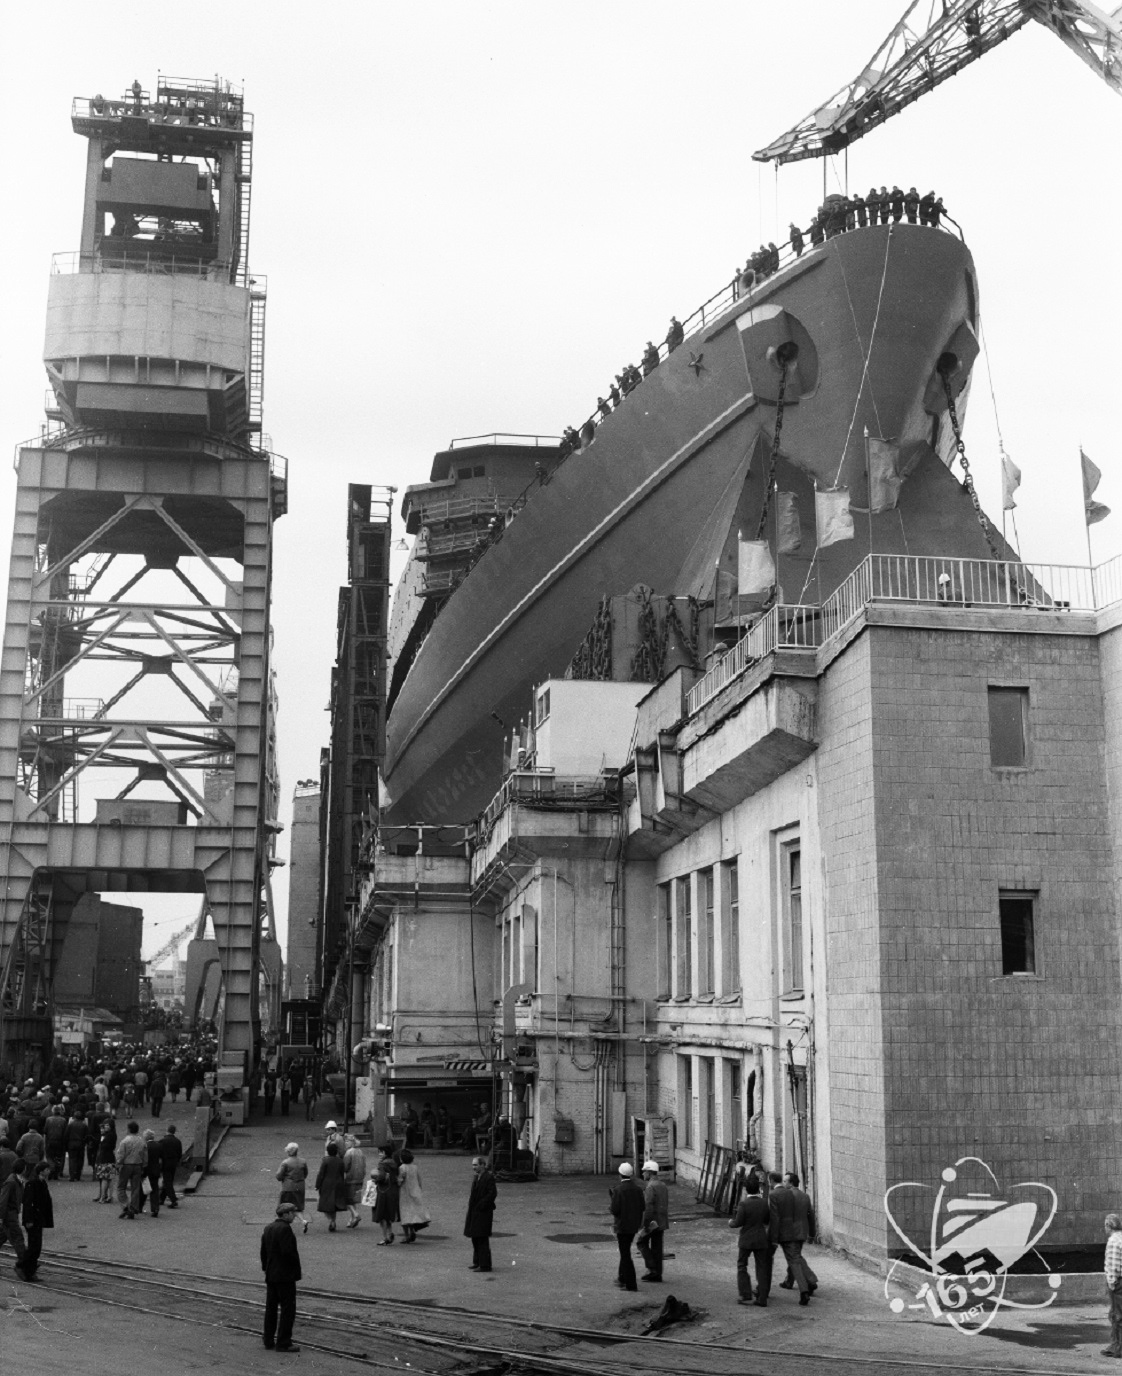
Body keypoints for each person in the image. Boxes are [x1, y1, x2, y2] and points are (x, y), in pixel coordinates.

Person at [770, 1170, 818, 1304]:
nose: (783, 1183)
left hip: (790, 1232)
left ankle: (810, 1280)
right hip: (802, 1231)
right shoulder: (805, 1196)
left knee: (795, 1258)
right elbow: (811, 1215)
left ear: (791, 1183)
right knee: (795, 1257)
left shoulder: (788, 1195)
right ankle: (789, 1281)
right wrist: (812, 1233)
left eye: (785, 1181)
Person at [261, 1201, 301, 1354]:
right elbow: (288, 1253)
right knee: (287, 1309)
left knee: (271, 1308)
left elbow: (263, 1252)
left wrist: (266, 1268)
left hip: (271, 1274)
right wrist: (294, 1270)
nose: (294, 1216)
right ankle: (283, 1342)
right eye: (292, 1213)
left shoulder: (269, 1228)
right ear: (286, 1214)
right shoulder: (285, 1229)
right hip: (284, 1275)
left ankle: (268, 1339)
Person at [730, 1173, 773, 1306]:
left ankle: (745, 1294)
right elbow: (767, 1220)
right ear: (758, 1188)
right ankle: (762, 1297)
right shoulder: (764, 1203)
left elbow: (738, 1222)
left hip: (746, 1239)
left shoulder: (744, 1204)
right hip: (761, 1238)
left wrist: (731, 1222)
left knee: (742, 1265)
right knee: (762, 1267)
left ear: (746, 1189)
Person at [609, 1162, 644, 1292]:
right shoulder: (638, 1189)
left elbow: (615, 1210)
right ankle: (622, 1278)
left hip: (622, 1226)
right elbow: (642, 1207)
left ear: (620, 1175)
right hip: (633, 1226)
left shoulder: (618, 1190)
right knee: (625, 1251)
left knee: (625, 1254)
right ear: (631, 1175)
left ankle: (631, 1284)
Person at [464, 1155, 496, 1273]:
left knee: (481, 1238)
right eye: (473, 1165)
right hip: (475, 1211)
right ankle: (477, 1262)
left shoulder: (488, 1177)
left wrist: (482, 1204)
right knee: (475, 1237)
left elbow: (492, 1193)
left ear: (482, 1165)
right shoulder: (477, 1177)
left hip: (483, 1212)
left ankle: (485, 1265)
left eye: (476, 1165)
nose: (474, 1167)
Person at [638, 1160, 668, 1282]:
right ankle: (658, 1274)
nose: (643, 1174)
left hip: (652, 1222)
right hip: (662, 1221)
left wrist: (645, 1225)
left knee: (641, 1242)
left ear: (649, 1173)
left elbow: (648, 1208)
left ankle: (652, 1269)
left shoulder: (650, 1187)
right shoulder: (663, 1185)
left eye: (644, 1171)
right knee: (657, 1247)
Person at [22, 1160, 53, 1280]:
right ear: (41, 1171)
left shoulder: (42, 1182)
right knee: (34, 1246)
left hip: (38, 1219)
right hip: (33, 1219)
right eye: (47, 1170)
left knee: (36, 1247)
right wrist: (28, 1220)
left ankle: (30, 1269)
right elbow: (28, 1203)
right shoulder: (32, 1183)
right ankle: (25, 1268)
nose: (49, 1171)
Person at [0, 1159, 30, 1279]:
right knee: (18, 1239)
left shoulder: (17, 1180)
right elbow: (3, 1201)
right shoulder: (11, 1182)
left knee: (2, 1237)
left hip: (11, 1214)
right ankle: (24, 1266)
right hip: (9, 1215)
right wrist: (1, 1217)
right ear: (23, 1169)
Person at [114, 1119, 146, 1219]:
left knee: (121, 1187)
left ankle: (125, 1205)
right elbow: (144, 1155)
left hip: (126, 1165)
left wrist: (118, 1164)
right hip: (138, 1165)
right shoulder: (142, 1141)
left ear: (128, 1129)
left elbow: (121, 1155)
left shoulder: (125, 1141)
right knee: (135, 1188)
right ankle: (133, 1207)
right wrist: (144, 1165)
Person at [397, 1148, 430, 1243]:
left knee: (404, 1214)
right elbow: (419, 1180)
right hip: (415, 1191)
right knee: (413, 1214)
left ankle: (406, 1235)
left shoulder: (402, 1168)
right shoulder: (415, 1167)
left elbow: (400, 1181)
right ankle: (412, 1231)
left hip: (405, 1193)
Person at [276, 1141, 309, 1233]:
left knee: (284, 1207)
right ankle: (303, 1221)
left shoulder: (285, 1163)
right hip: (300, 1187)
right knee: (297, 1206)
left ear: (288, 1151)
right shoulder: (303, 1161)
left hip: (288, 1187)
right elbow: (305, 1174)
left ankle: (284, 1225)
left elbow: (278, 1176)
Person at [315, 1141, 346, 1232]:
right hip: (338, 1183)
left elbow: (321, 1174)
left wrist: (317, 1185)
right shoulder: (340, 1161)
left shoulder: (325, 1160)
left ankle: (331, 1221)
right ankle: (333, 1220)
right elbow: (342, 1173)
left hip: (327, 1184)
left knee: (325, 1204)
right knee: (334, 1205)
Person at [371, 1143, 400, 1244]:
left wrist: (375, 1180)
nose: (379, 1154)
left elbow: (382, 1176)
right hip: (393, 1190)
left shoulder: (382, 1164)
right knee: (388, 1214)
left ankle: (385, 1237)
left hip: (383, 1191)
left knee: (381, 1215)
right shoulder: (394, 1163)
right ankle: (390, 1232)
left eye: (381, 1152)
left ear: (385, 1153)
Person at [1104, 1213, 1122, 1359]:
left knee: (1117, 1315)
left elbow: (1114, 1265)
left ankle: (1118, 1347)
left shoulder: (1113, 1241)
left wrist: (1111, 1283)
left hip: (1118, 1283)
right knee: (1116, 1314)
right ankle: (1114, 1345)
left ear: (1108, 1226)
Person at [342, 1134, 365, 1228]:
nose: (345, 1143)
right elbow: (364, 1165)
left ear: (352, 1142)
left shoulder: (349, 1153)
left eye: (347, 1141)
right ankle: (352, 1219)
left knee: (347, 1199)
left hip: (350, 1179)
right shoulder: (360, 1152)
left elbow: (345, 1166)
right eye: (345, 1141)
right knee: (353, 1200)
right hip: (360, 1179)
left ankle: (355, 1214)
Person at [157, 1124, 182, 1209]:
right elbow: (179, 1153)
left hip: (165, 1163)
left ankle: (173, 1200)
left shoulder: (162, 1141)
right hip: (174, 1163)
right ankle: (161, 1199)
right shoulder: (177, 1141)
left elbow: (158, 1153)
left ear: (167, 1130)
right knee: (168, 1180)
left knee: (167, 1182)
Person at [93, 1119, 117, 1203]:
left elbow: (104, 1147)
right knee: (108, 1178)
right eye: (105, 1125)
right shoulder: (109, 1134)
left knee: (105, 1178)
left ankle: (103, 1196)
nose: (105, 1127)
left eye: (107, 1125)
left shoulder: (109, 1135)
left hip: (106, 1159)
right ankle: (107, 1196)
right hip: (107, 1158)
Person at [139, 1129, 161, 1216]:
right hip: (155, 1170)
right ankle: (155, 1209)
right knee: (155, 1190)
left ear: (145, 1137)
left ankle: (139, 1206)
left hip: (146, 1170)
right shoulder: (158, 1145)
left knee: (143, 1189)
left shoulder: (144, 1146)